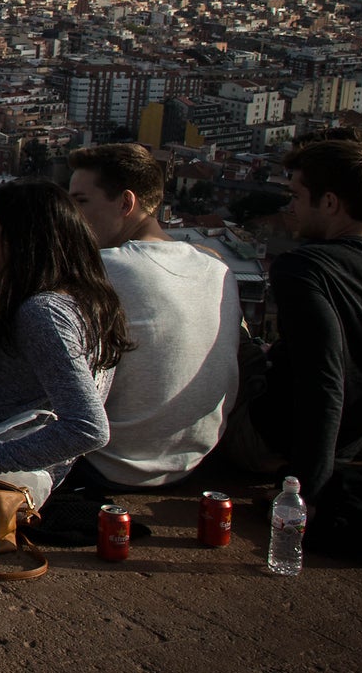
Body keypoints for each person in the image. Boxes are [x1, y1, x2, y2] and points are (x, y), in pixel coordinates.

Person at [234, 134, 362, 501]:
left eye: (298, 197)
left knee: (234, 331)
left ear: (331, 202)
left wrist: (306, 494)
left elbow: (323, 379)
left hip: (278, 442)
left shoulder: (305, 268)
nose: (291, 208)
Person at [0, 179, 130, 492]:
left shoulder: (43, 312)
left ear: (26, 242)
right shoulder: (90, 302)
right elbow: (18, 382)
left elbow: (88, 427)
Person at [66, 144, 241, 488]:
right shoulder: (218, 269)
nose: (71, 214)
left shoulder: (105, 267)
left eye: (81, 201)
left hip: (110, 467)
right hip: (194, 463)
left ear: (126, 203)